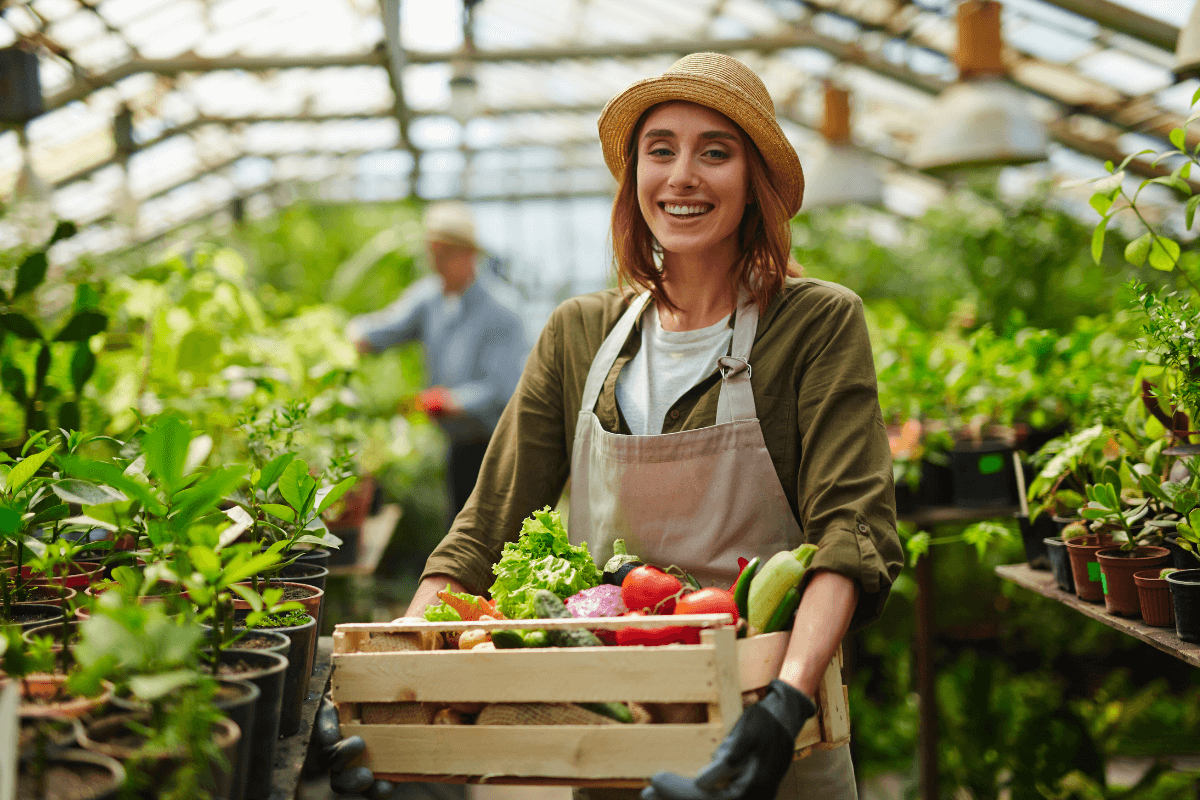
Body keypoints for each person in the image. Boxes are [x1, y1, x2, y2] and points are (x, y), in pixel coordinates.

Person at [396, 53, 903, 800]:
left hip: (769, 737)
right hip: (611, 730)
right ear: (634, 175)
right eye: (660, 149)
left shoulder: (814, 324)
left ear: (754, 181)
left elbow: (852, 534)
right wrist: (394, 685)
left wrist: (788, 700)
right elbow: (481, 533)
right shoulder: (578, 334)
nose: (683, 175)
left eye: (715, 152)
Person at [346, 201, 529, 520]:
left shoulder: (503, 313)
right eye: (432, 254)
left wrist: (450, 401)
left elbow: (503, 387)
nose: (435, 265)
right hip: (458, 444)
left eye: (444, 255)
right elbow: (386, 329)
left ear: (468, 255)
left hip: (498, 448)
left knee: (494, 533)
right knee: (459, 526)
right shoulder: (430, 298)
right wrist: (346, 336)